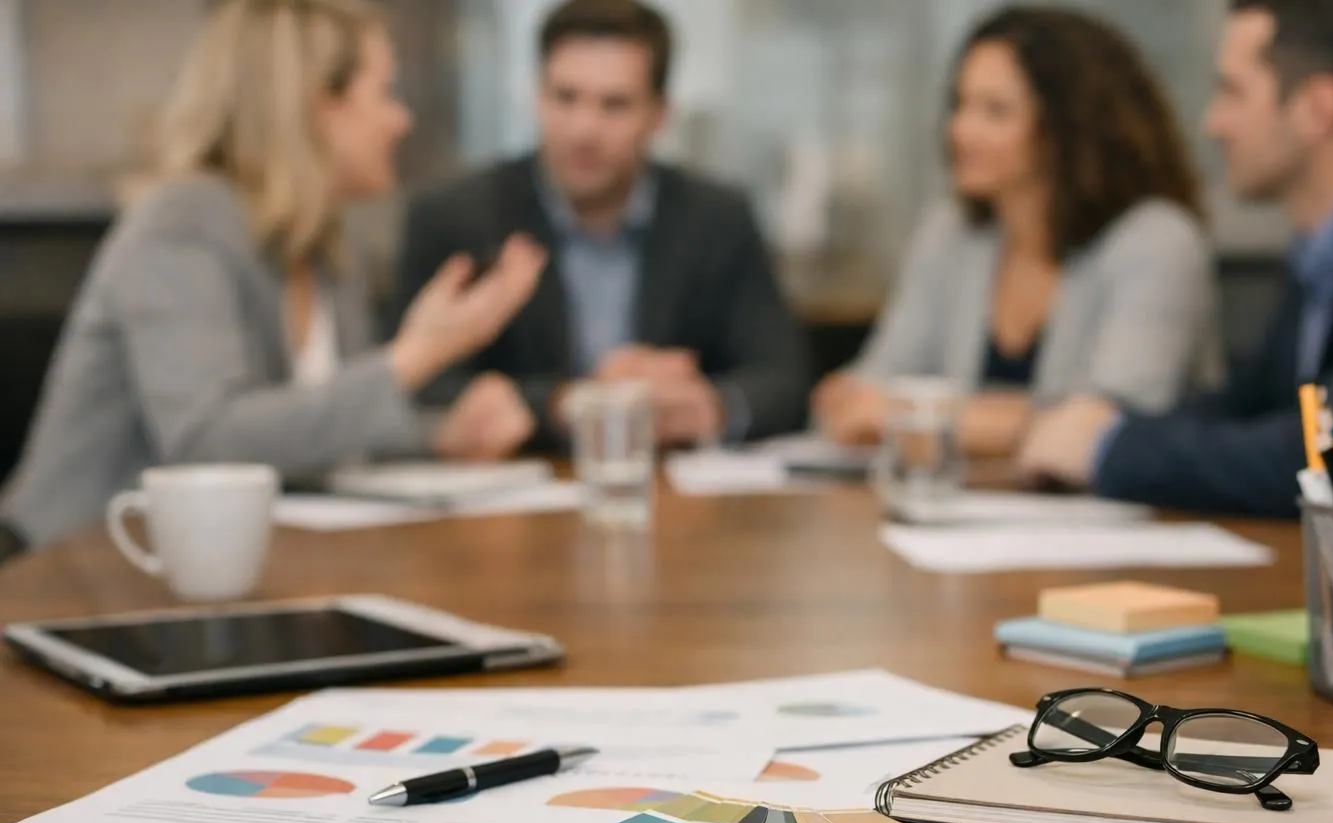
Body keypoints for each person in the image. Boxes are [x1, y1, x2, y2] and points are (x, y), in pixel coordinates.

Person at [0, 0, 549, 560]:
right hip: (69, 572)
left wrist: (441, 436)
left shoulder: (324, 245)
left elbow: (316, 433)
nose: (401, 120)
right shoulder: (182, 223)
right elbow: (207, 444)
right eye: (384, 93)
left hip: (224, 575)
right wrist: (415, 356)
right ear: (317, 107)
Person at [1020, 0, 1333, 561]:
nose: (1211, 122)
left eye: (1232, 92)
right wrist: (1104, 425)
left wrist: (1110, 449)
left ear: (1319, 109)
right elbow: (1255, 404)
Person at [396, 0, 811, 452]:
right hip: (512, 502)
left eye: (614, 105)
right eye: (565, 97)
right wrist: (565, 403)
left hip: (674, 497)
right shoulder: (458, 217)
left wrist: (709, 407)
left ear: (659, 114)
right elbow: (416, 387)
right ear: (537, 96)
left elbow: (785, 379)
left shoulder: (717, 218)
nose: (584, 129)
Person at [813, 6, 1222, 459]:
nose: (961, 130)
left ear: (1070, 127)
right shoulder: (951, 233)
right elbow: (868, 391)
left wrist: (909, 414)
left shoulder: (1157, 241)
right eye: (960, 104)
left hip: (1124, 521)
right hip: (963, 514)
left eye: (995, 111)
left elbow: (1110, 424)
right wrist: (862, 401)